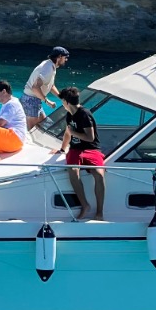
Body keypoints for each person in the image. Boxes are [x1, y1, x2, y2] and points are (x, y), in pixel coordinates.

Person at [57, 86, 106, 221]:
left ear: (66, 102)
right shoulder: (69, 115)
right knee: (73, 170)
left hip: (91, 148)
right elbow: (68, 133)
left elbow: (90, 137)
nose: (62, 104)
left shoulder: (84, 114)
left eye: (62, 102)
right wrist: (62, 149)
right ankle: (85, 205)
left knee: (99, 175)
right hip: (76, 149)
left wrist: (73, 133)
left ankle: (100, 212)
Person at [20, 47, 69, 128]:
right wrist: (47, 101)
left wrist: (62, 98)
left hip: (33, 100)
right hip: (30, 101)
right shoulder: (48, 69)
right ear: (59, 57)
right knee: (31, 130)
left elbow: (51, 85)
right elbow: (35, 87)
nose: (66, 60)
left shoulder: (50, 65)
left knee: (45, 125)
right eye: (65, 57)